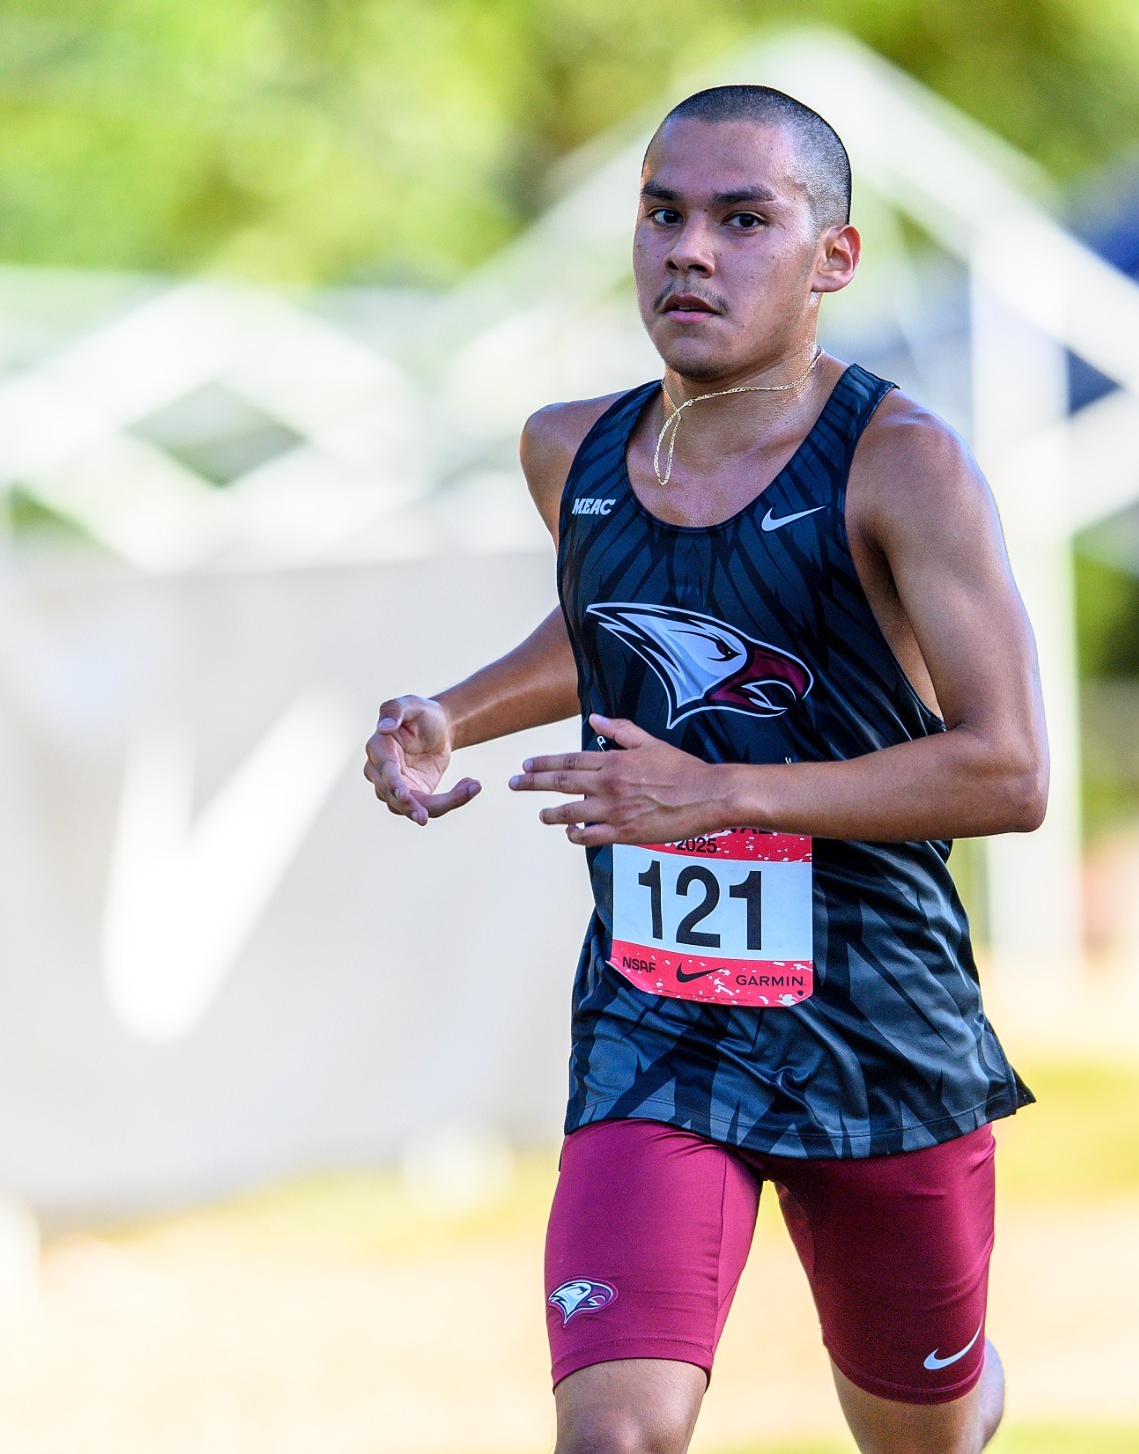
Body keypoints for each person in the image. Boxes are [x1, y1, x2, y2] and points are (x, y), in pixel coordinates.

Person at [364, 84, 1046, 1454]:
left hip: (876, 1021)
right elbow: (632, 625)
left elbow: (1008, 769)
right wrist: (454, 710)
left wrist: (723, 794)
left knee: (920, 1433)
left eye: (744, 220)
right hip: (659, 1018)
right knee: (616, 1432)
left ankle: (964, 1400)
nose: (690, 250)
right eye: (665, 214)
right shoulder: (573, 451)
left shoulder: (904, 465)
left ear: (831, 260)